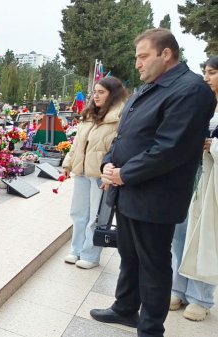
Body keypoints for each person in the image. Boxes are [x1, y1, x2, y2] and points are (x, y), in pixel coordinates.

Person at [90, 29, 217, 337]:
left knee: (154, 264)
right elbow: (126, 135)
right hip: (129, 190)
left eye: (143, 56)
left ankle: (150, 328)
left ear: (166, 54)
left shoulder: (190, 91)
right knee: (129, 256)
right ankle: (125, 307)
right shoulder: (149, 88)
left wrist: (123, 173)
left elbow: (170, 148)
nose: (138, 64)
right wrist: (108, 162)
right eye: (137, 58)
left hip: (156, 196)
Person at [170, 56, 218, 321]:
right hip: (192, 176)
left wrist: (214, 146)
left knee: (206, 239)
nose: (206, 78)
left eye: (212, 73)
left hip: (213, 182)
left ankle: (201, 297)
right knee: (181, 232)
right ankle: (178, 287)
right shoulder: (202, 103)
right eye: (205, 72)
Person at [62, 76, 127, 269]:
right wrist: (68, 164)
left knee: (96, 216)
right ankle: (76, 249)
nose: (96, 96)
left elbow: (119, 148)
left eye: (101, 92)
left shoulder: (119, 118)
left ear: (112, 94)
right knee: (78, 213)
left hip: (101, 174)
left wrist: (111, 173)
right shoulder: (89, 115)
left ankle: (90, 254)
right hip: (82, 171)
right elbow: (78, 143)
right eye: (95, 92)